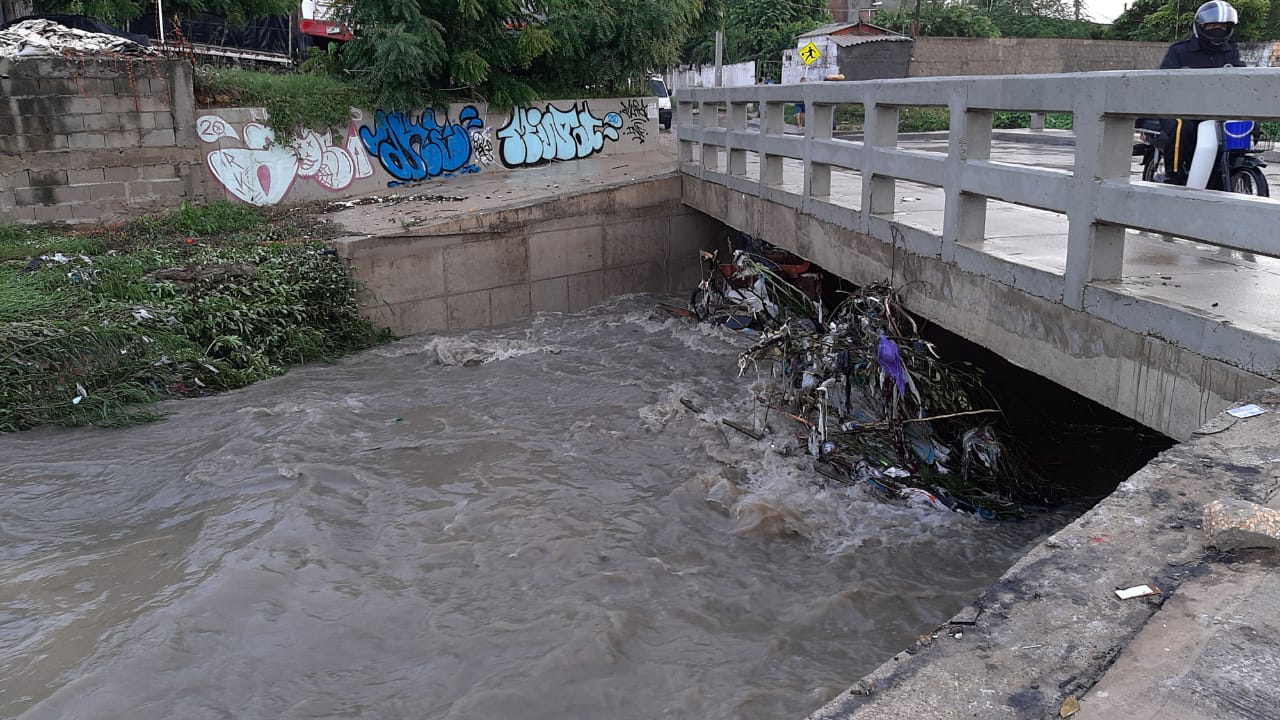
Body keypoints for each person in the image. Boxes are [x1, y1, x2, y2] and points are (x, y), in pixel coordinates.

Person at [1158, 0, 1242, 186]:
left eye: (1223, 26)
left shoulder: (1231, 51)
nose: (1218, 29)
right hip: (1182, 109)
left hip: (1217, 110)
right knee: (1182, 126)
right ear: (1200, 26)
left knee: (1246, 125)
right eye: (1212, 25)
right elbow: (1164, 83)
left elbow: (1242, 80)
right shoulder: (1180, 50)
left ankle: (1226, 169)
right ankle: (1174, 175)